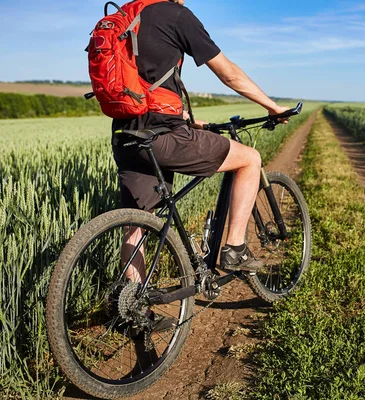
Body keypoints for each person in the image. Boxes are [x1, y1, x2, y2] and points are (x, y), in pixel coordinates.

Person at [113, 0, 289, 287]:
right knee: (249, 159)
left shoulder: (127, 14)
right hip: (164, 134)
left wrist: (180, 114)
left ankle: (133, 308)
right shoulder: (177, 15)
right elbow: (228, 72)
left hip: (126, 133)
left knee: (138, 222)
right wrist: (272, 106)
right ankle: (235, 249)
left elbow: (138, 79)